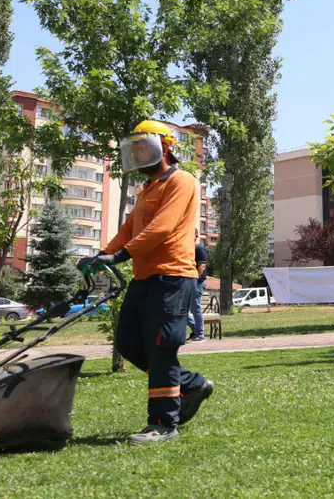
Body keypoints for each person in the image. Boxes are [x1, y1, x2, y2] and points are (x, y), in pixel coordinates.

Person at [77, 120, 213, 444]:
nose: (138, 154)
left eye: (143, 147)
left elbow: (163, 228)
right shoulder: (147, 189)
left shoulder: (182, 182)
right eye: (134, 149)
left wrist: (122, 256)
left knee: (161, 348)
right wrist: (102, 254)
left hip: (172, 277)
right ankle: (190, 384)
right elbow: (129, 229)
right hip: (145, 277)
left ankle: (163, 424)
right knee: (127, 341)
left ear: (165, 147)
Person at [189, 240, 208, 342]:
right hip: (188, 282)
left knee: (195, 307)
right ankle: (195, 330)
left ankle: (200, 335)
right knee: (183, 310)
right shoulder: (188, 249)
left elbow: (202, 266)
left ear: (195, 237)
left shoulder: (199, 249)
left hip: (198, 282)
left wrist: (194, 280)